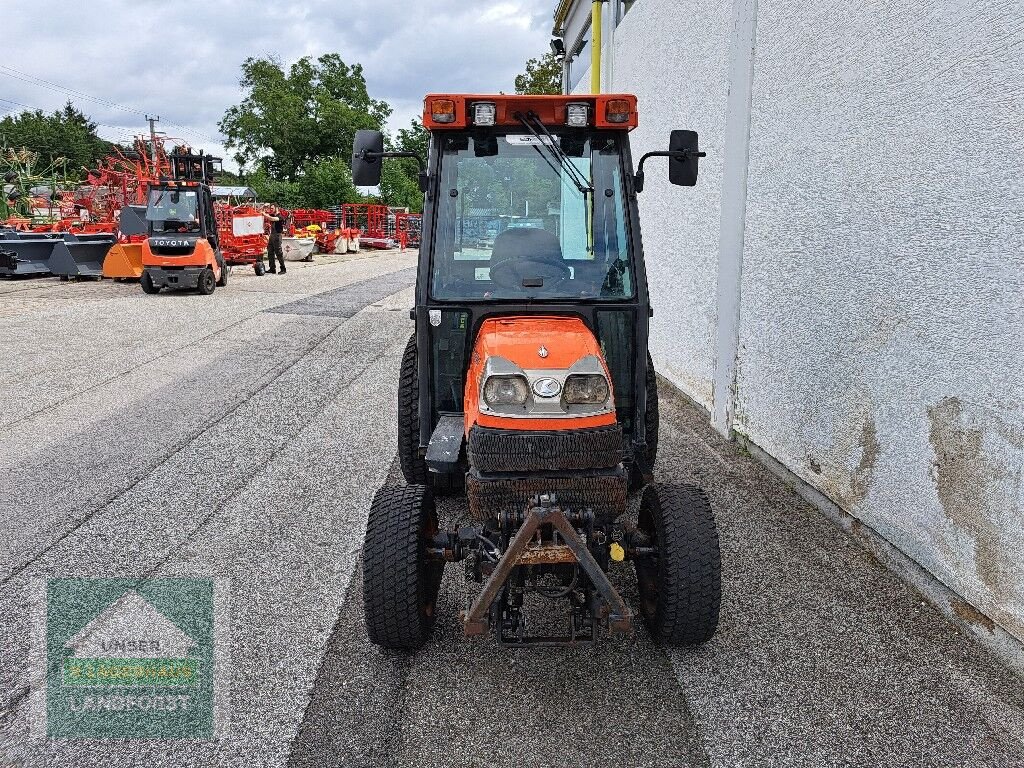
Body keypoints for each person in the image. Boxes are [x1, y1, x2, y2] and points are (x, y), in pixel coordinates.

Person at [265, 206, 287, 274]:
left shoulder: (280, 216)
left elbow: (271, 218)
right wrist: (263, 207)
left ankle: (283, 269)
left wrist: (264, 214)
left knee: (278, 252)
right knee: (270, 251)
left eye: (272, 208)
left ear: (276, 208)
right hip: (272, 235)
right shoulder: (273, 214)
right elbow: (264, 213)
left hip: (277, 235)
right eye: (270, 208)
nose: (271, 210)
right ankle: (272, 268)